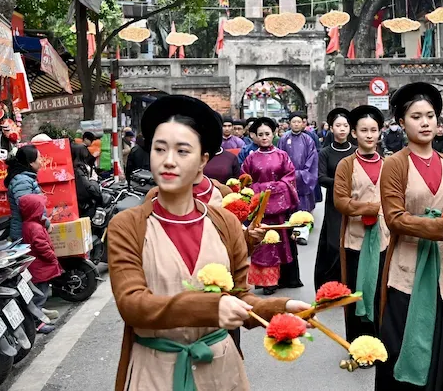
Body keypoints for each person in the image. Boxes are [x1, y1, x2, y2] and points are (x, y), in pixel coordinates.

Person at [107, 95, 310, 390]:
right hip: (156, 370)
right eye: (159, 149)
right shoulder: (128, 226)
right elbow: (133, 305)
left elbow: (241, 297)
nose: (168, 160)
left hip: (220, 369)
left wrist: (280, 308)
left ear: (203, 159)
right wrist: (211, 308)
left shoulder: (224, 223)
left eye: (182, 150)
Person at [376, 82, 443, 391]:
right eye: (416, 116)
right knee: (405, 344)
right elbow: (395, 218)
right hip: (409, 269)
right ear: (401, 122)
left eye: (430, 115)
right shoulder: (395, 164)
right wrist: (441, 227)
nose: (426, 122)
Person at [334, 105, 389, 342]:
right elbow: (341, 201)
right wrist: (370, 208)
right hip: (356, 239)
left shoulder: (390, 164)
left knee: (381, 291)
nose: (369, 135)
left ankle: (380, 341)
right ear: (354, 133)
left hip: (385, 239)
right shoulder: (346, 165)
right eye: (363, 130)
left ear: (380, 133)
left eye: (373, 130)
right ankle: (358, 344)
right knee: (357, 292)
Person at [242, 117, 303, 293]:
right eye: (260, 134)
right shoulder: (250, 158)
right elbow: (245, 182)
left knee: (282, 243)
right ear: (254, 136)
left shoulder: (282, 155)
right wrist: (263, 192)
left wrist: (271, 190)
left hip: (279, 210)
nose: (264, 137)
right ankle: (266, 282)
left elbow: (289, 178)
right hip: (260, 212)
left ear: (273, 134)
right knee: (263, 245)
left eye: (267, 134)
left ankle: (283, 278)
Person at [314, 108, 357, 290]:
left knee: (353, 240)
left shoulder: (356, 151)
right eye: (338, 125)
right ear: (331, 128)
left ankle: (351, 281)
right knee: (334, 242)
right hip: (334, 202)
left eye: (345, 125)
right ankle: (333, 284)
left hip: (356, 201)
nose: (342, 129)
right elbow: (321, 178)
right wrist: (344, 184)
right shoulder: (325, 152)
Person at [19, 193, 62, 333]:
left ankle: (38, 317)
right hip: (40, 267)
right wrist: (52, 257)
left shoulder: (28, 225)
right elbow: (41, 246)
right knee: (40, 295)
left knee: (38, 293)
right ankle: (37, 323)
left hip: (36, 267)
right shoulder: (35, 227)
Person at [278, 112, 318, 246]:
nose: (296, 124)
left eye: (298, 122)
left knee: (303, 206)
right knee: (288, 205)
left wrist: (302, 174)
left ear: (303, 123)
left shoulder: (308, 140)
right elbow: (280, 158)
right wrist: (288, 174)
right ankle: (289, 233)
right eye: (293, 121)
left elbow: (312, 159)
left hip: (303, 178)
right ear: (290, 123)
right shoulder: (283, 139)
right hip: (287, 178)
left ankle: (302, 234)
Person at [6, 145, 47, 241]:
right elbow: (29, 209)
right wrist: (46, 223)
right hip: (25, 234)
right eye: (39, 158)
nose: (41, 161)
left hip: (30, 231)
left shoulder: (25, 179)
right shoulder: (22, 181)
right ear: (31, 162)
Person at [72, 143, 103, 219]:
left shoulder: (79, 168)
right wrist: (93, 181)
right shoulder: (78, 170)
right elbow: (89, 187)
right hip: (85, 206)